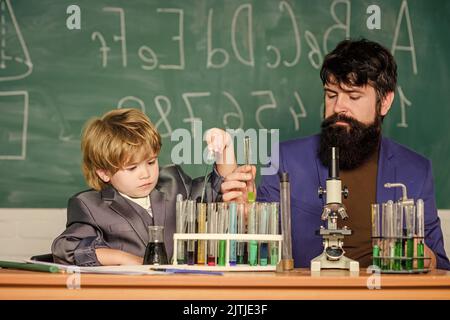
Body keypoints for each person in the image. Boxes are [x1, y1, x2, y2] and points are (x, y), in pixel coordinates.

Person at [257, 39, 450, 270]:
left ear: (385, 102)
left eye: (354, 96)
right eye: (331, 95)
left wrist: (421, 255)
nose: (339, 107)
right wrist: (247, 214)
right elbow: (261, 251)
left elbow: (441, 268)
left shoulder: (416, 171)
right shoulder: (283, 159)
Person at [52, 108, 251, 266]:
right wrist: (125, 259)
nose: (145, 174)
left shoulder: (174, 183)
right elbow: (66, 249)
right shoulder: (90, 205)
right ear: (104, 172)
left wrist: (224, 147)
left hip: (183, 291)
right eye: (132, 168)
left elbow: (220, 190)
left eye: (151, 162)